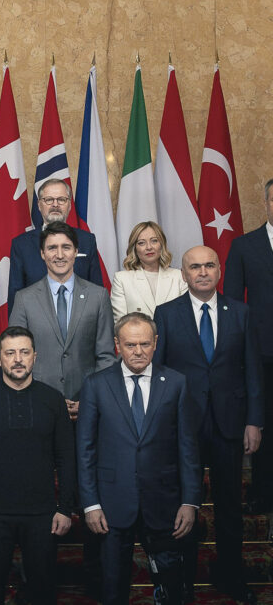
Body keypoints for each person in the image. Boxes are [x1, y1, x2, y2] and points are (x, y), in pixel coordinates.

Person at [154, 245, 263, 604]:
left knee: (230, 506)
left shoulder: (241, 313)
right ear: (183, 274)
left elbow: (253, 372)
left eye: (209, 265)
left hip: (229, 425)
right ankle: (182, 581)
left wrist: (254, 422)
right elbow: (160, 375)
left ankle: (231, 574)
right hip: (181, 427)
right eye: (195, 267)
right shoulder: (166, 314)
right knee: (183, 504)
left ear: (219, 271)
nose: (203, 272)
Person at [77, 312, 201, 604]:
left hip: (164, 504)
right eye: (131, 345)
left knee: (172, 589)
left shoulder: (176, 383)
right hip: (111, 505)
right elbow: (85, 449)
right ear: (117, 345)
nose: (138, 351)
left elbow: (188, 447)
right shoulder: (95, 385)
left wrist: (190, 500)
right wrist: (90, 503)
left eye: (145, 344)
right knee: (112, 588)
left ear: (155, 343)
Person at [0, 325, 75, 605]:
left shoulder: (53, 400)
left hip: (42, 514)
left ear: (35, 356)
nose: (18, 359)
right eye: (10, 353)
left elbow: (67, 458)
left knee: (43, 590)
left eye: (24, 352)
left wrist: (65, 508)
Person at [8, 221, 116, 421]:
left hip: (87, 407)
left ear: (76, 251)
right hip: (38, 406)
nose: (59, 255)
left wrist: (91, 399)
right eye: (52, 248)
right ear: (42, 254)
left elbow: (106, 356)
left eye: (66, 247)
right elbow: (16, 357)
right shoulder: (24, 299)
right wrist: (40, 398)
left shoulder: (98, 296)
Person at [224, 179, 273, 515]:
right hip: (262, 354)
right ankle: (263, 495)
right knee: (263, 427)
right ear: (267, 202)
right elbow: (229, 303)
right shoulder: (244, 246)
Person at [7, 178, 103, 315]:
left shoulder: (87, 240)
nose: (55, 204)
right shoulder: (21, 244)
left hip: (81, 324)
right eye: (49, 200)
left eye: (61, 200)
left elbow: (96, 289)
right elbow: (15, 296)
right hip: (36, 326)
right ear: (39, 205)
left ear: (69, 205)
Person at [110, 221, 187, 322]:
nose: (149, 247)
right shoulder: (122, 279)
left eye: (154, 241)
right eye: (141, 243)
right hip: (138, 337)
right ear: (135, 248)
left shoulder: (179, 276)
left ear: (162, 244)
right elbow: (121, 323)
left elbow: (186, 318)